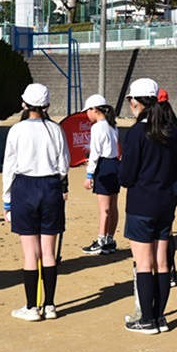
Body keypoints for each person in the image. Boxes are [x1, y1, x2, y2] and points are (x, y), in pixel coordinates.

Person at [119, 78, 177, 334]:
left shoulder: (137, 133)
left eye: (130, 100)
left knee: (144, 263)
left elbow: (126, 176)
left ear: (136, 102)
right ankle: (159, 317)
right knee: (162, 262)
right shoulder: (172, 130)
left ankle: (146, 319)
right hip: (165, 202)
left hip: (141, 203)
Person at [2, 83, 70, 321]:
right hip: (50, 186)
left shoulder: (17, 130)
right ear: (47, 105)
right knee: (48, 252)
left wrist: (7, 201)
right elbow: (64, 165)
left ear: (24, 104)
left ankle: (31, 307)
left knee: (30, 252)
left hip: (25, 187)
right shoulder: (56, 129)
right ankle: (49, 305)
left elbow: (9, 167)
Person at [81, 94, 120, 255]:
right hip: (114, 164)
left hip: (103, 167)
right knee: (113, 206)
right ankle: (109, 240)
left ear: (94, 110)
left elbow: (95, 153)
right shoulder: (113, 125)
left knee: (104, 208)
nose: (87, 114)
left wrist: (89, 175)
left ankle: (100, 241)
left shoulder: (97, 127)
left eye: (88, 111)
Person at [159, 88, 177, 286]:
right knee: (167, 228)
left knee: (162, 231)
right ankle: (168, 271)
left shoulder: (160, 129)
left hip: (162, 184)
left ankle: (165, 271)